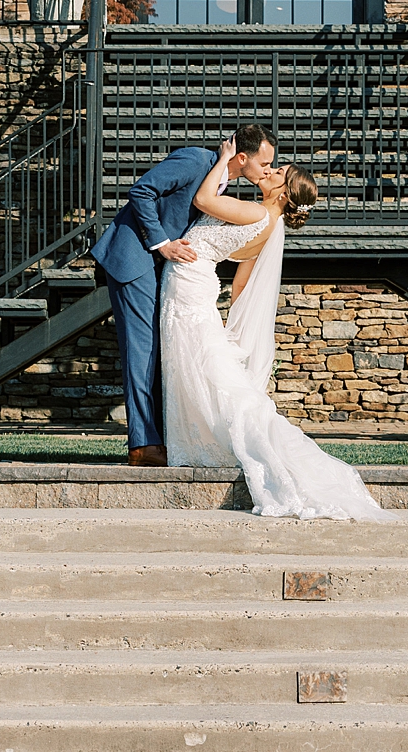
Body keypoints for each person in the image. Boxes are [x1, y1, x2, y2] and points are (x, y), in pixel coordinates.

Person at [157, 136, 392, 521]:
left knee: (200, 365)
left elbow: (202, 202)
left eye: (277, 172)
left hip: (190, 282)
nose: (269, 170)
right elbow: (240, 283)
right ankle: (199, 439)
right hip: (195, 282)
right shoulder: (266, 224)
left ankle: (205, 441)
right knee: (197, 363)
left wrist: (225, 158)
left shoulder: (256, 214)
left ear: (283, 194)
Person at [90, 125, 277, 466]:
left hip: (159, 268)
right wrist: (163, 244)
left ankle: (161, 437)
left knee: (160, 350)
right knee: (142, 349)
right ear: (242, 158)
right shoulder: (194, 160)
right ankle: (143, 444)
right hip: (134, 257)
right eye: (264, 164)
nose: (267, 171)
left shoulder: (219, 181)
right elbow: (141, 191)